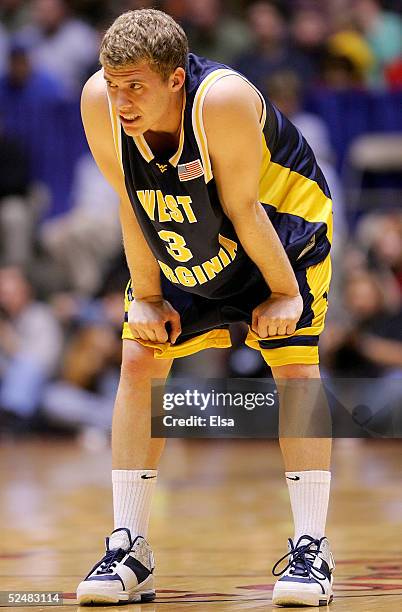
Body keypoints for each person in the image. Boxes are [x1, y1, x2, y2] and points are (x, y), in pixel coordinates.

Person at [78, 8, 334, 607]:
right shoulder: (100, 101)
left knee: (293, 367)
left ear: (175, 79)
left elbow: (246, 210)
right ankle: (129, 548)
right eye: (114, 85)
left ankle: (311, 551)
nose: (121, 100)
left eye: (135, 86)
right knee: (140, 362)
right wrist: (145, 297)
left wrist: (285, 294)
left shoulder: (221, 101)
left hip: (278, 226)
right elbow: (130, 199)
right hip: (187, 220)